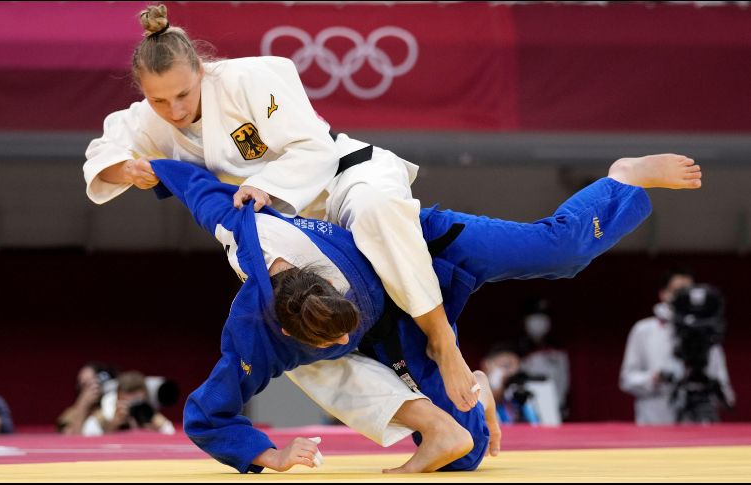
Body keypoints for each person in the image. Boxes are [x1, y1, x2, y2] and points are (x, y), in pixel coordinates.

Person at [148, 151, 701, 473]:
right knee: (464, 454)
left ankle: (621, 178)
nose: (326, 352)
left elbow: (209, 192)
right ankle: (473, 388)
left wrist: (153, 168)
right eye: (326, 346)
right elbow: (207, 412)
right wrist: (268, 455)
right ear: (291, 331)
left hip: (424, 247)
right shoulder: (258, 334)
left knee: (562, 253)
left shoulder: (299, 239)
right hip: (396, 324)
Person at [83, 3, 478, 413]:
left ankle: (441, 341)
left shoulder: (250, 79)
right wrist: (125, 169)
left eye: (183, 94)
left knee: (379, 207)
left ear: (202, 69)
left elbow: (313, 147)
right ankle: (418, 416)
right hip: (277, 227)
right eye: (159, 100)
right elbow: (103, 154)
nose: (175, 111)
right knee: (285, 325)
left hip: (335, 182)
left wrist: (263, 184)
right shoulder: (149, 119)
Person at [619, 268, 735, 425]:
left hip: (698, 427)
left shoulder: (707, 331)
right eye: (679, 291)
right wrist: (654, 379)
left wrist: (708, 386)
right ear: (663, 294)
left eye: (689, 291)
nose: (685, 296)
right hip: (655, 423)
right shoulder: (644, 330)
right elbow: (627, 379)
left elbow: (725, 389)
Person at [515, 297, 571, 420]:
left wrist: (560, 404)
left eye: (543, 317)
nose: (539, 322)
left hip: (553, 408)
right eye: (534, 316)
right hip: (525, 410)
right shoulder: (516, 348)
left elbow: (563, 380)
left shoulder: (557, 348)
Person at [81, 370, 175, 436]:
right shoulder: (100, 419)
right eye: (126, 402)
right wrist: (113, 425)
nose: (131, 407)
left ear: (145, 397)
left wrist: (157, 426)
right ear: (117, 397)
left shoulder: (150, 417)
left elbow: (170, 434)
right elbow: (89, 440)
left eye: (136, 402)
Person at [56, 362, 117, 434]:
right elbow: (72, 439)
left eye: (93, 384)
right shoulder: (71, 413)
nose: (87, 391)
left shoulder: (113, 408)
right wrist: (82, 406)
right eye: (83, 385)